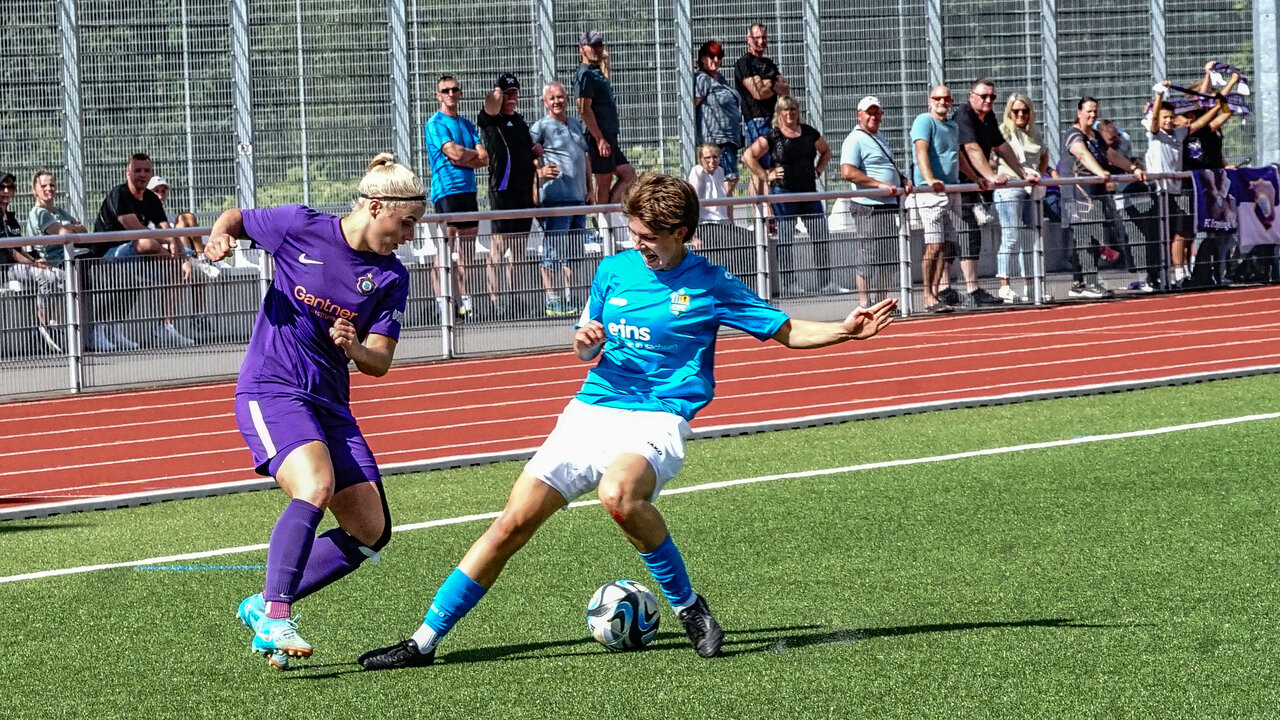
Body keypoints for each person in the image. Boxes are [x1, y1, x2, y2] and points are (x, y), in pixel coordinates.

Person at [356, 172, 897, 670]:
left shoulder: (711, 283)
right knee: (510, 526)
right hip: (592, 410)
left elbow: (785, 330)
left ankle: (688, 606)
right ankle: (423, 642)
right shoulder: (612, 270)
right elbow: (583, 346)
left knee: (618, 495)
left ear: (682, 232)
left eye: (650, 237)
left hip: (657, 419)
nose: (638, 243)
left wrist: (844, 330)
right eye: (633, 232)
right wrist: (584, 341)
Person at [205, 153, 425, 670]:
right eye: (407, 222)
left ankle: (262, 604)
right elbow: (236, 217)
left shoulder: (391, 278)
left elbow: (380, 363)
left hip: (331, 402)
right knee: (315, 485)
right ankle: (277, 614)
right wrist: (219, 236)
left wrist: (354, 348)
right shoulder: (300, 226)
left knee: (371, 531)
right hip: (272, 388)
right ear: (376, 207)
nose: (411, 235)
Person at [91, 152, 194, 350]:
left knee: (177, 268)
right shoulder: (119, 194)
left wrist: (183, 260)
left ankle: (165, 325)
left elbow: (168, 229)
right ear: (127, 173)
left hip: (136, 257)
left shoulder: (151, 198)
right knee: (146, 243)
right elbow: (135, 229)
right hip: (109, 253)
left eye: (147, 170)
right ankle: (97, 331)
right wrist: (170, 244)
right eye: (137, 170)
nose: (142, 174)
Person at [743, 95, 843, 296]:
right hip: (783, 192)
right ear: (779, 114)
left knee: (820, 235)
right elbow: (748, 156)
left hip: (808, 192)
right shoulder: (773, 136)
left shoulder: (809, 133)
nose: (790, 114)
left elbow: (825, 151)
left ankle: (826, 282)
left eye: (793, 109)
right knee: (786, 239)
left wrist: (819, 170)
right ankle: (790, 284)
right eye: (786, 110)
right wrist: (766, 175)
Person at [953, 79, 1040, 307]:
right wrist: (990, 177)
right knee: (947, 240)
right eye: (984, 96)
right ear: (972, 96)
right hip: (954, 183)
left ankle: (972, 290)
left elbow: (1002, 147)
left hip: (973, 185)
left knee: (971, 236)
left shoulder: (988, 117)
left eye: (992, 97)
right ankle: (942, 291)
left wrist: (1022, 174)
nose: (989, 100)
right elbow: (971, 148)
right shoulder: (964, 116)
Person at [839, 95, 910, 308]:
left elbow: (885, 165)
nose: (874, 116)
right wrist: (877, 184)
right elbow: (847, 171)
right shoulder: (855, 139)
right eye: (869, 112)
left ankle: (881, 301)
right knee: (868, 256)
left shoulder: (880, 137)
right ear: (859, 115)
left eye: (877, 112)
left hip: (887, 206)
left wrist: (902, 179)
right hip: (868, 206)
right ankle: (865, 303)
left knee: (888, 256)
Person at [426, 75, 488, 317]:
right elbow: (451, 151)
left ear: (459, 93)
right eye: (445, 90)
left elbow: (485, 158)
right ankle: (443, 301)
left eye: (454, 90)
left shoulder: (467, 125)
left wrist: (465, 156)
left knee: (468, 251)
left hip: (468, 192)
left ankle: (465, 300)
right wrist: (465, 155)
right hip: (446, 192)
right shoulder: (435, 124)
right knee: (445, 247)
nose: (451, 94)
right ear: (438, 95)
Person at [478, 73, 537, 317]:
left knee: (519, 249)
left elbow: (526, 154)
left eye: (514, 93)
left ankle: (514, 299)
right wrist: (498, 92)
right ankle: (495, 301)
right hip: (502, 191)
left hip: (523, 191)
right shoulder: (492, 120)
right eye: (507, 93)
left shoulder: (521, 123)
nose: (511, 98)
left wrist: (536, 151)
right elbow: (490, 103)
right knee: (499, 248)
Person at [531, 80, 592, 316]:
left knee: (576, 250)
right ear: (545, 102)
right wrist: (539, 173)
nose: (557, 101)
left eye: (561, 96)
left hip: (578, 199)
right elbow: (528, 157)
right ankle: (552, 298)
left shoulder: (575, 124)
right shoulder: (540, 128)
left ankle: (570, 295)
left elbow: (584, 158)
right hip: (556, 199)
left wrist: (590, 187)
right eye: (552, 98)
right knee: (553, 249)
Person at [908, 85, 970, 313]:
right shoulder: (924, 121)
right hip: (930, 192)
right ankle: (927, 296)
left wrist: (976, 178)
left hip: (951, 190)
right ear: (929, 100)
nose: (942, 102)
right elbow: (921, 151)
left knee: (945, 245)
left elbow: (958, 155)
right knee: (933, 244)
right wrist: (930, 179)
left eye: (946, 98)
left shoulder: (952, 126)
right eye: (938, 98)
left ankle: (935, 293)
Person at [1181, 63, 1239, 286]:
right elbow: (1212, 106)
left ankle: (1214, 271)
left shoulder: (1209, 127)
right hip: (1196, 181)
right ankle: (1187, 273)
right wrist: (1227, 82)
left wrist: (1235, 88)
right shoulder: (1192, 123)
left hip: (1214, 179)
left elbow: (1224, 111)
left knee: (1221, 229)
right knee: (1190, 231)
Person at [574, 30, 634, 242]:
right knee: (603, 182)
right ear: (582, 48)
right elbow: (584, 109)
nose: (598, 49)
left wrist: (605, 60)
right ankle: (603, 227)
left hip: (610, 135)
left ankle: (606, 216)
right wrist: (599, 138)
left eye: (600, 45)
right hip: (599, 138)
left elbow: (605, 80)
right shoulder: (584, 74)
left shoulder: (596, 70)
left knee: (628, 174)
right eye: (593, 46)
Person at [993, 93, 1049, 303]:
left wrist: (1040, 174)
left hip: (1030, 189)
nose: (1021, 114)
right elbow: (991, 157)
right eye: (1016, 111)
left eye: (1025, 110)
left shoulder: (1035, 133)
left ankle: (1030, 285)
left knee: (1030, 237)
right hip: (1010, 188)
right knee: (1010, 237)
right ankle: (1004, 285)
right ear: (1009, 112)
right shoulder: (1002, 132)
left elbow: (1044, 155)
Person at [0, 172, 64, 352]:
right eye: (2, 187)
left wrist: (35, 260)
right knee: (43, 275)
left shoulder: (10, 218)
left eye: (10, 187)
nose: (6, 191)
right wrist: (33, 265)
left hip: (16, 264)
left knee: (58, 274)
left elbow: (19, 248)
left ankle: (52, 324)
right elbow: (10, 251)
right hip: (4, 268)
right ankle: (42, 325)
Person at [148, 175, 219, 338]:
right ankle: (201, 262)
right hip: (167, 256)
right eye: (156, 191)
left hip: (183, 252)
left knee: (187, 217)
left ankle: (201, 259)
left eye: (163, 191)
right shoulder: (148, 214)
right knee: (184, 220)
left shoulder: (167, 217)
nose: (160, 195)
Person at [734, 23, 790, 205]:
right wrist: (773, 84)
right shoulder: (744, 63)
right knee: (758, 166)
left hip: (773, 119)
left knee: (773, 166)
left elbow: (786, 90)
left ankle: (769, 214)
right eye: (756, 37)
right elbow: (757, 92)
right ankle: (761, 216)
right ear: (748, 39)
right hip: (755, 120)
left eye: (763, 37)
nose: (760, 41)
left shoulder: (769, 64)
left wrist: (768, 84)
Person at [687, 143, 753, 278]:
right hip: (706, 225)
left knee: (751, 239)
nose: (712, 161)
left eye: (715, 157)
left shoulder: (720, 172)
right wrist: (694, 236)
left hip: (722, 224)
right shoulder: (698, 172)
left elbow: (726, 202)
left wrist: (731, 222)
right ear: (700, 159)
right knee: (735, 244)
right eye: (707, 158)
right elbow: (691, 205)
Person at [694, 39, 743, 196]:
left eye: (719, 56)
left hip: (729, 139)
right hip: (716, 141)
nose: (716, 60)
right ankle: (717, 211)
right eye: (711, 55)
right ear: (702, 58)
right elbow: (694, 104)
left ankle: (726, 219)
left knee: (724, 180)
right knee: (731, 177)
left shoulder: (720, 78)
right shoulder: (701, 78)